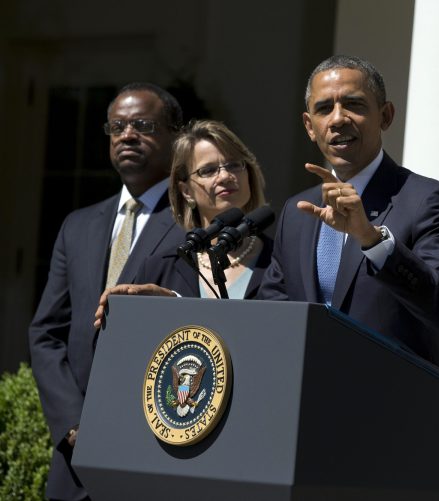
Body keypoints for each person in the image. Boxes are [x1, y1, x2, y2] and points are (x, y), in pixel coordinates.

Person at [257, 55, 439, 500]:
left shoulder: (425, 200)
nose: (338, 119)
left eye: (354, 105)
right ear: (308, 124)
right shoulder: (297, 213)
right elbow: (274, 317)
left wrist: (371, 238)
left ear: (386, 115)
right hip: (318, 443)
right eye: (325, 109)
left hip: (406, 439)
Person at [29, 83, 187, 501]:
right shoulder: (78, 225)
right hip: (74, 461)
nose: (127, 135)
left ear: (176, 134)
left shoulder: (193, 221)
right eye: (117, 126)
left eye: (143, 125)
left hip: (156, 446)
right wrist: (74, 425)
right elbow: (46, 333)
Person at [91, 119, 271, 310]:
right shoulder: (159, 268)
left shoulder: (280, 260)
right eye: (208, 170)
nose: (225, 176)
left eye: (234, 165)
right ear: (186, 191)